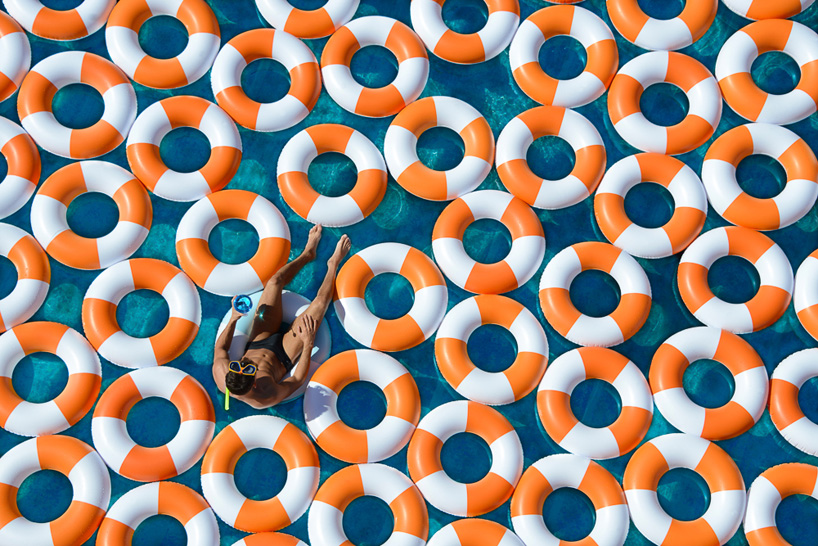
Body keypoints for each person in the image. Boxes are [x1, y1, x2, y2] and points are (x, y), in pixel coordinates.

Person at [213, 225, 351, 408]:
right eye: (247, 369)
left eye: (238, 366)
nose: (242, 365)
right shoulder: (266, 396)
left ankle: (307, 254)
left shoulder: (223, 374)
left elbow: (221, 347)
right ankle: (333, 264)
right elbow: (298, 379)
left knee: (274, 282)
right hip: (283, 354)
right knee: (319, 304)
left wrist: (234, 318)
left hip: (258, 340)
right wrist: (308, 342)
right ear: (254, 383)